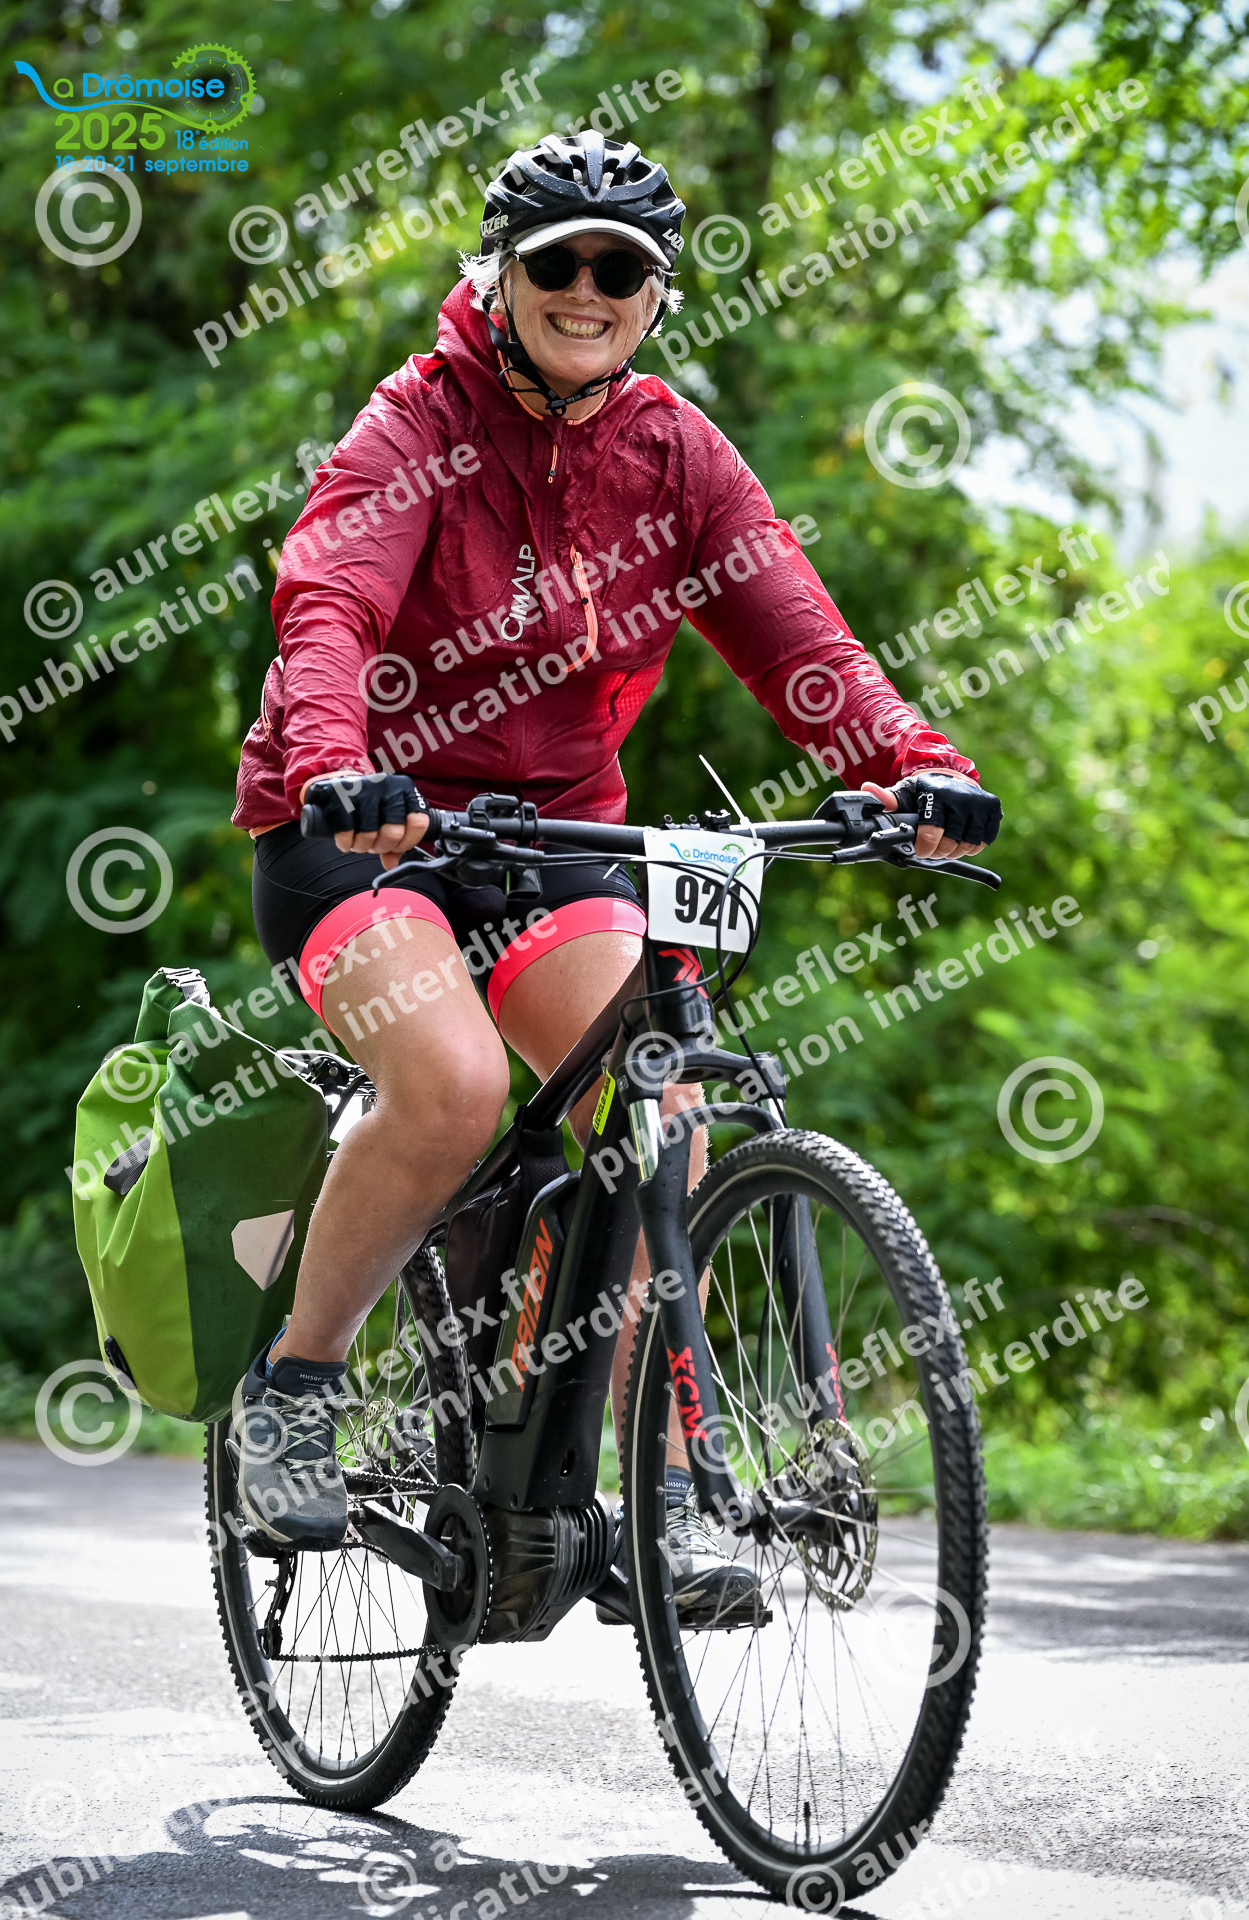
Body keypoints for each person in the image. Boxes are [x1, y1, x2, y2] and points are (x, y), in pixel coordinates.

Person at [230, 130, 1001, 1615]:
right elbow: (329, 603)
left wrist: (912, 768)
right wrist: (335, 762)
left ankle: (652, 1494)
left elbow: (801, 640)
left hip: (556, 833)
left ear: (656, 294)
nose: (588, 288)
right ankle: (297, 1388)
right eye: (558, 261)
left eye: (622, 267)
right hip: (363, 830)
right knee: (452, 1087)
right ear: (501, 274)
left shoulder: (675, 451)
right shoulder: (415, 423)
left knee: (665, 1111)